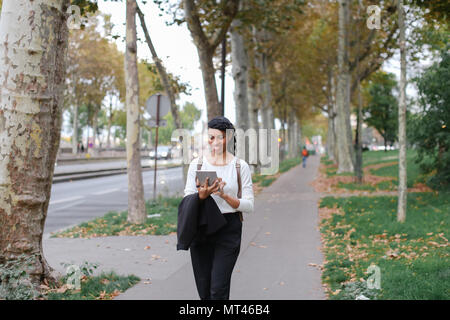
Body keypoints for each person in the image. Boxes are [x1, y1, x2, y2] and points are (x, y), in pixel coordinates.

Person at [183, 116, 254, 300]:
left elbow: (249, 205)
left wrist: (224, 195)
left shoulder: (240, 166)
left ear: (228, 138)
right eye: (210, 137)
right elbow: (187, 198)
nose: (214, 142)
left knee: (218, 289)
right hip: (201, 227)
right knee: (205, 291)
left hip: (229, 228)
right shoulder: (197, 164)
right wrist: (203, 195)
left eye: (219, 137)